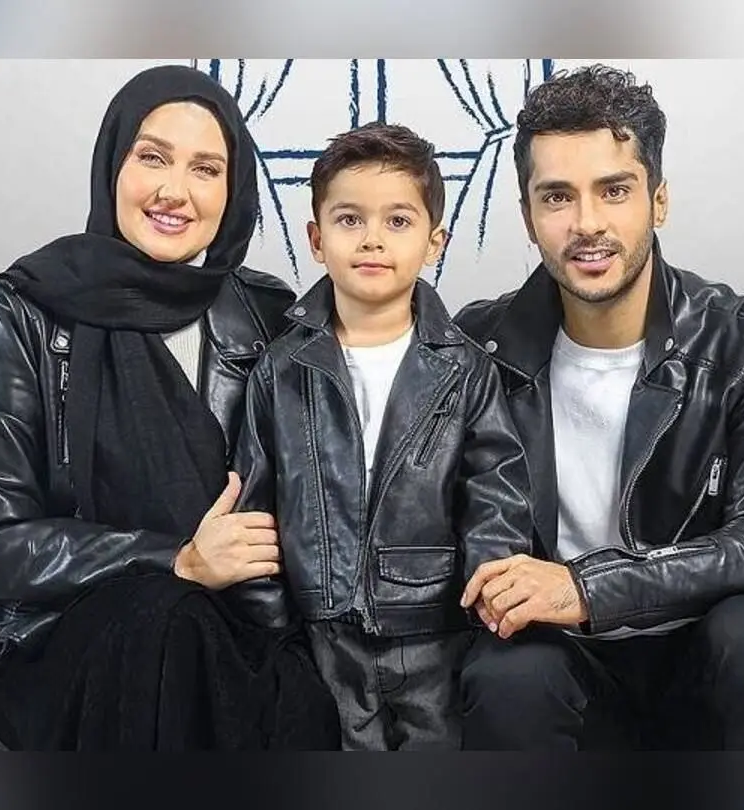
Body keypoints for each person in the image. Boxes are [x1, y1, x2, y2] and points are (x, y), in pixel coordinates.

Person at [0, 65, 340, 750]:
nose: (173, 191)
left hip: (239, 623)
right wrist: (177, 559)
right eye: (153, 157)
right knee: (167, 619)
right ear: (113, 165)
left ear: (234, 191)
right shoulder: (28, 309)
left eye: (205, 169)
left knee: (280, 677)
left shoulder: (270, 314)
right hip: (61, 637)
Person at [453, 64, 744, 750]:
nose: (587, 223)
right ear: (528, 217)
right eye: (557, 197)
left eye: (614, 190)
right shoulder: (477, 345)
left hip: (708, 647)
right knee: (508, 674)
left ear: (658, 201)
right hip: (564, 657)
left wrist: (589, 588)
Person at [225, 122, 535, 750]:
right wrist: (273, 625)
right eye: (349, 220)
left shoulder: (466, 369)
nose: (372, 239)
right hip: (320, 633)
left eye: (398, 221)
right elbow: (253, 504)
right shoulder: (281, 370)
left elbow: (495, 493)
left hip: (436, 631)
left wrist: (489, 595)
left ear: (434, 241)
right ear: (316, 239)